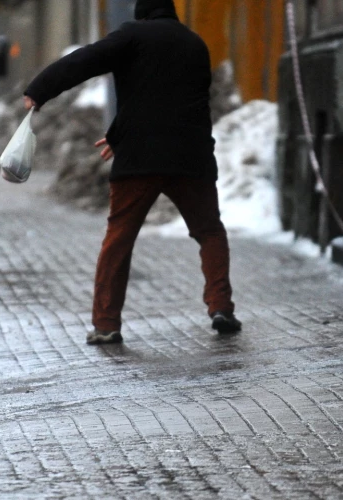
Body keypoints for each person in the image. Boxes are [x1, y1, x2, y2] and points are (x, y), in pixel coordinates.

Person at [23, 0, 241, 345]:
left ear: (142, 11)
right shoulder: (195, 44)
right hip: (191, 157)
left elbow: (85, 61)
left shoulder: (133, 36)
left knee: (119, 238)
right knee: (210, 231)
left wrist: (40, 90)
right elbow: (168, 96)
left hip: (140, 158)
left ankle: (107, 323)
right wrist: (116, 134)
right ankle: (221, 307)